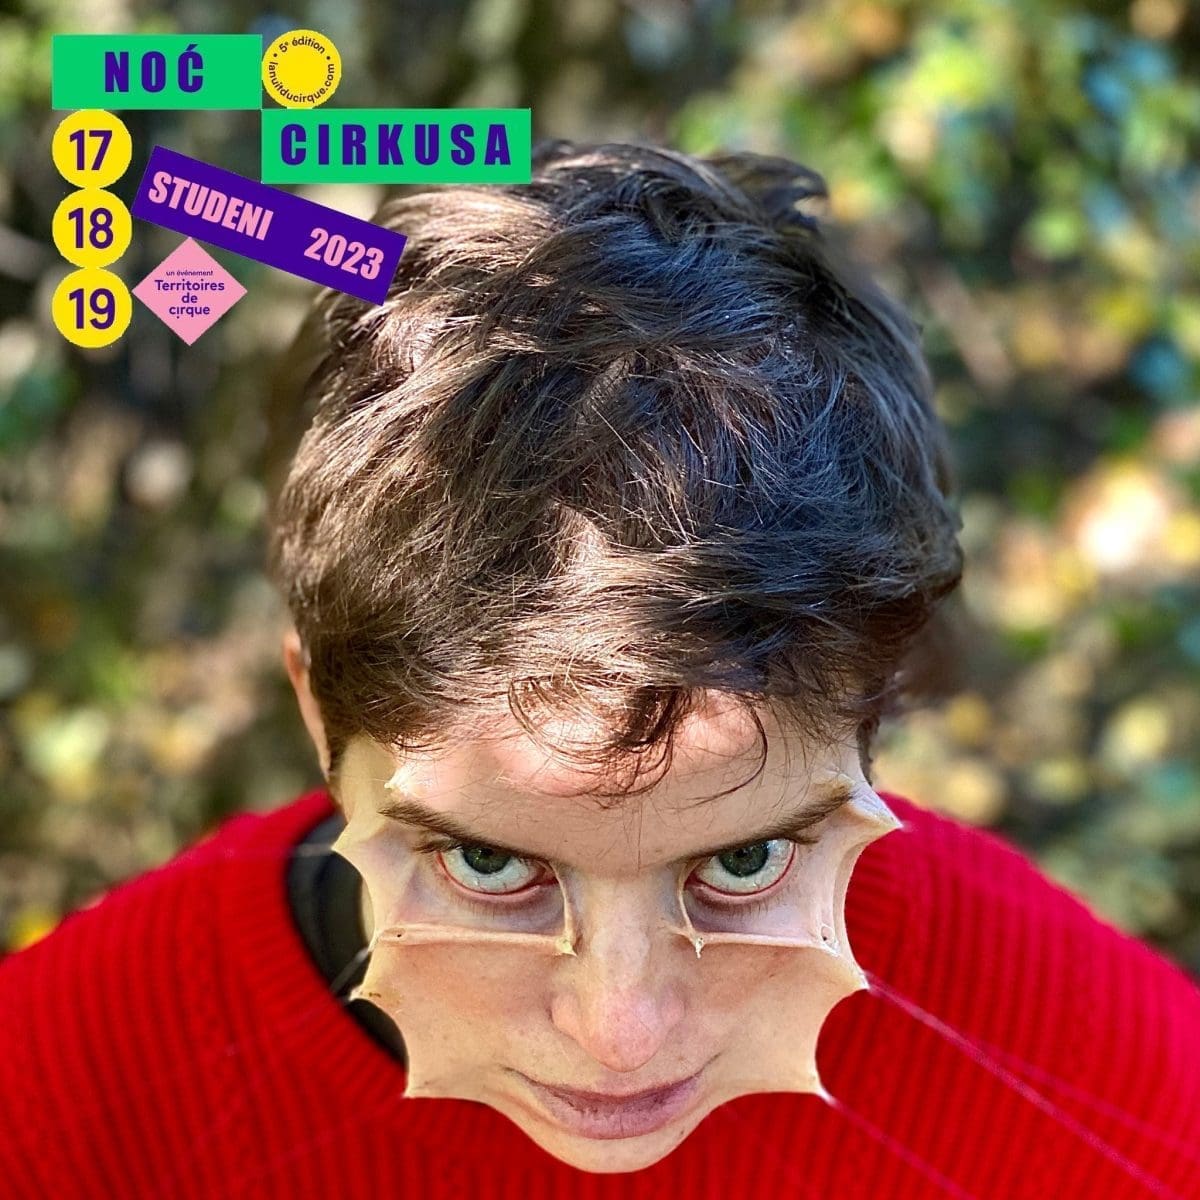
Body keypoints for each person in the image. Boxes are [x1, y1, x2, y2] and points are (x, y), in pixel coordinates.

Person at [1, 141, 1197, 1199]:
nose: (620, 1033)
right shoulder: (60, 1099)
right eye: (488, 865)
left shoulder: (1090, 1069)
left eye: (742, 863)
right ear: (320, 714)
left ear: (873, 723)